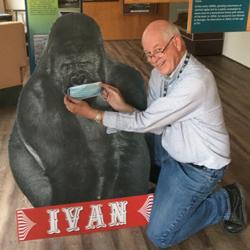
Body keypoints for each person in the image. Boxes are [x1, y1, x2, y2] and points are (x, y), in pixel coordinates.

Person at [64, 20, 247, 248]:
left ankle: (226, 201)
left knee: (161, 236)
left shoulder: (196, 81)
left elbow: (145, 122)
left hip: (199, 168)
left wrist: (93, 114)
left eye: (158, 50)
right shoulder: (159, 75)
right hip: (173, 149)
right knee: (133, 147)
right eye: (148, 54)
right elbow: (155, 123)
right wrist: (122, 106)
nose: (154, 59)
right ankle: (169, 189)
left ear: (177, 43)